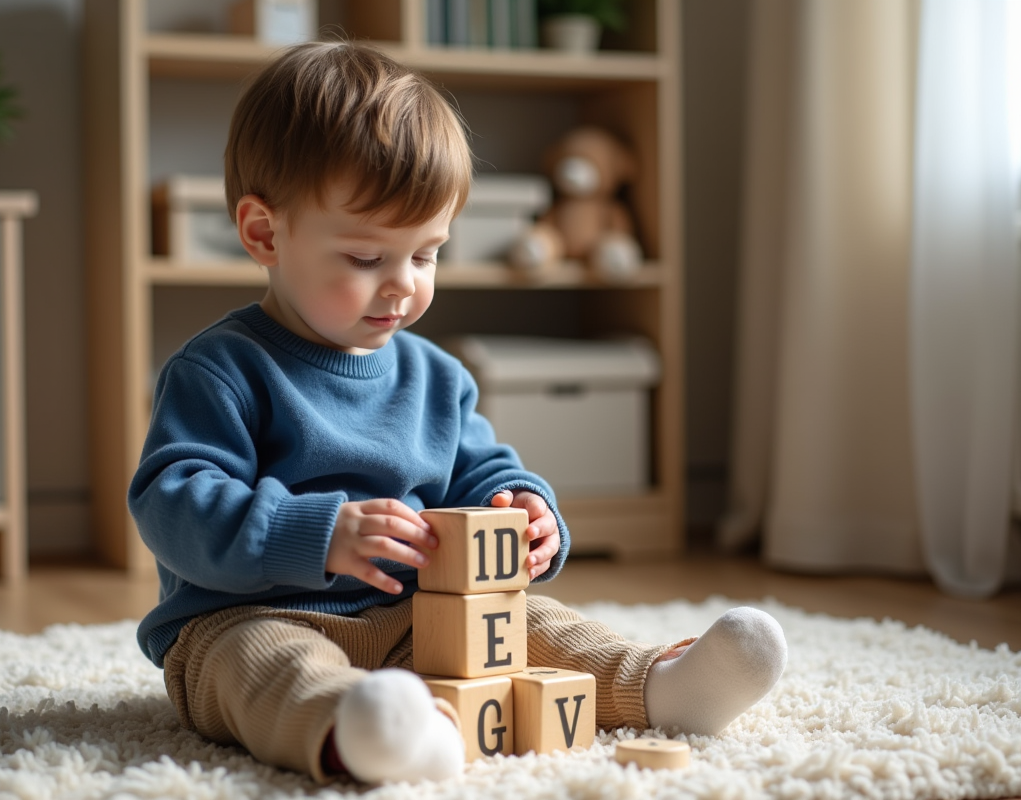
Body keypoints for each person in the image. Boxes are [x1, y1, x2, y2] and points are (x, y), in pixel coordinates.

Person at [129, 40, 787, 786]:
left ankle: (659, 686)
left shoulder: (437, 376)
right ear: (263, 234)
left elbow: (482, 471)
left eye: (427, 254)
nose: (403, 287)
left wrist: (527, 510)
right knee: (264, 668)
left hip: (421, 619)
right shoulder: (220, 369)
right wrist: (318, 536)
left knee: (533, 627)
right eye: (368, 259)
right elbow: (171, 504)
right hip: (252, 616)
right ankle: (363, 729)